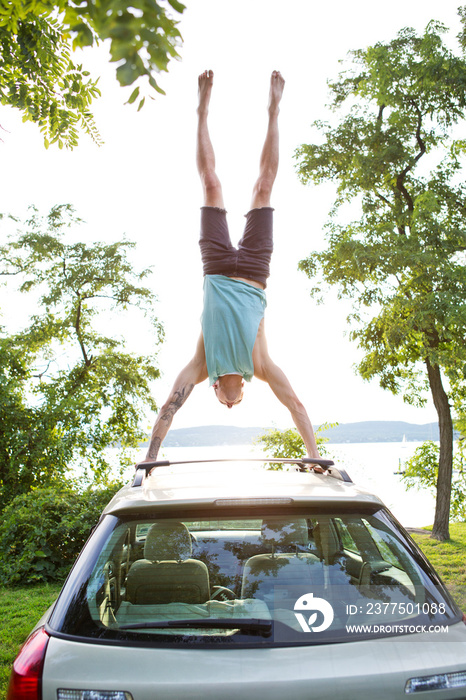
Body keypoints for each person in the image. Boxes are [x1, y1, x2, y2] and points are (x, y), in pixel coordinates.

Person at [143, 70, 320, 463]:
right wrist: (314, 454)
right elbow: (295, 405)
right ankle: (274, 111)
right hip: (256, 270)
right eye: (233, 403)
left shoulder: (203, 366)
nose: (230, 404)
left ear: (217, 393)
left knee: (210, 183)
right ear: (236, 394)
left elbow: (169, 406)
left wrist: (151, 458)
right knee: (264, 186)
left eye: (225, 403)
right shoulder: (260, 365)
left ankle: (201, 111)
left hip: (217, 265)